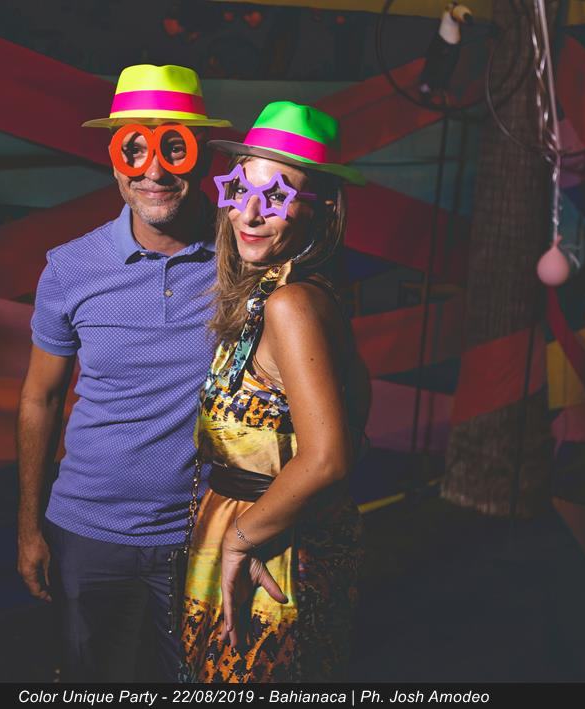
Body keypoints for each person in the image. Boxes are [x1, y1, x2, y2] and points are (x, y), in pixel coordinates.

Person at [16, 64, 230, 682]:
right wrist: (28, 526)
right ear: (113, 161)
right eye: (133, 150)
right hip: (88, 532)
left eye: (174, 149)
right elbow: (39, 398)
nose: (154, 172)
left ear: (202, 157)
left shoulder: (242, 257)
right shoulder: (70, 268)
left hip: (205, 532)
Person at [180, 101, 371, 682]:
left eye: (278, 196)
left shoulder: (291, 305)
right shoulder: (282, 293)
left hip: (276, 546)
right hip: (252, 526)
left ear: (321, 208)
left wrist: (240, 540)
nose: (250, 212)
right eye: (241, 188)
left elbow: (328, 458)